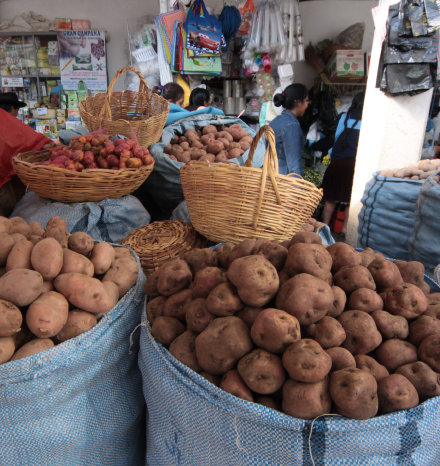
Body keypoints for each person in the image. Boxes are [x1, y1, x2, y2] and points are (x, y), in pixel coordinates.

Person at [321, 92, 365, 236]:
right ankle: (345, 230)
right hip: (353, 165)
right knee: (349, 200)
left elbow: (334, 137)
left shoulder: (342, 117)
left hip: (336, 163)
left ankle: (324, 227)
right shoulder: (367, 121)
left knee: (330, 199)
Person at [0, 92, 51, 216]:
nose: (17, 114)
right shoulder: (6, 121)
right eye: (17, 110)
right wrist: (48, 145)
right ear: (12, 108)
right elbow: (29, 141)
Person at [269, 83, 310, 176]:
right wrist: (298, 188)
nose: (307, 105)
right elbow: (294, 166)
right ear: (298, 103)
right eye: (306, 101)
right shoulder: (291, 125)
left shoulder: (275, 121)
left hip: (271, 178)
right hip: (283, 182)